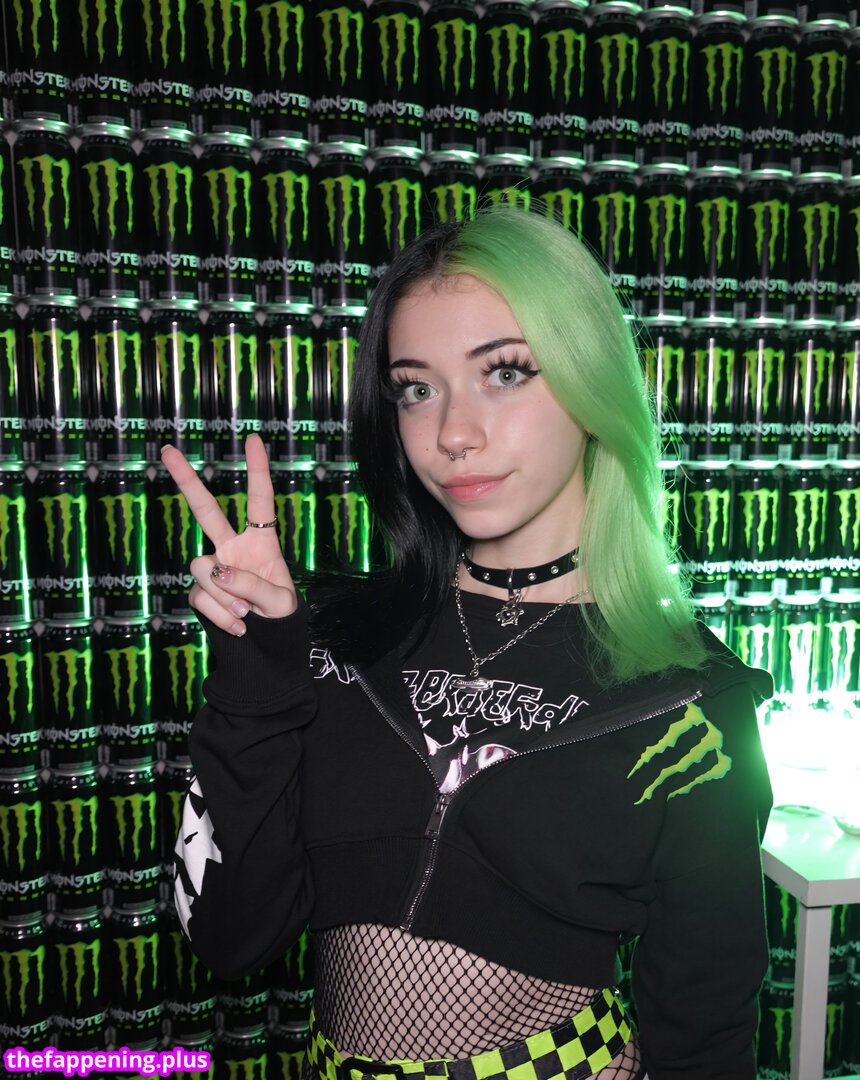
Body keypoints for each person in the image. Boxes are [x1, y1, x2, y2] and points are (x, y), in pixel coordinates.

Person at [164, 207, 773, 1080]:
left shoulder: (691, 696)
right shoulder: (333, 639)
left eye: (505, 372)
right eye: (416, 388)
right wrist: (257, 670)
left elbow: (706, 1026)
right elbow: (227, 936)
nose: (452, 433)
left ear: (591, 379)